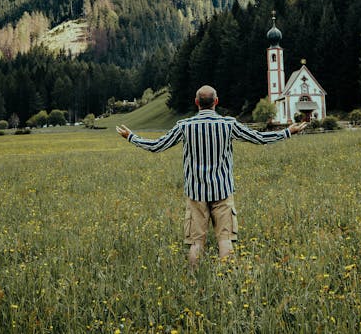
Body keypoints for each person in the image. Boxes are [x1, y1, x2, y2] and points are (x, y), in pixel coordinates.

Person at [116, 85, 307, 267]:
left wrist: (131, 137)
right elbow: (259, 138)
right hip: (223, 192)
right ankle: (228, 280)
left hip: (196, 194)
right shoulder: (228, 124)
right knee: (225, 241)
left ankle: (192, 281)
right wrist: (287, 132)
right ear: (216, 101)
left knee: (196, 243)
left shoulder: (184, 126)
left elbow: (157, 146)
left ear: (196, 102)